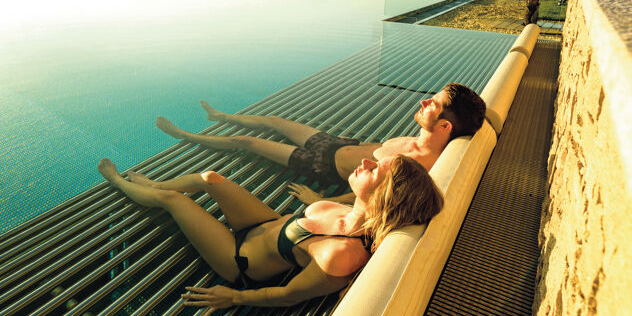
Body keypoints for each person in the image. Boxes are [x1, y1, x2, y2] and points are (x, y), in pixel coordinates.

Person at [97, 154, 443, 316]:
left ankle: (120, 183)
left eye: (375, 170)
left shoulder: (340, 255)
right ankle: (153, 184)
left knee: (175, 201)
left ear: (383, 196)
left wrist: (232, 297)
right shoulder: (353, 209)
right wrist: (315, 202)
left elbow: (288, 295)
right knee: (208, 177)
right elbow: (354, 205)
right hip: (266, 225)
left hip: (238, 259)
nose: (366, 161)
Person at [156, 82, 485, 204]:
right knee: (276, 121)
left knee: (248, 142)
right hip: (337, 143)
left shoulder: (420, 166)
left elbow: (372, 196)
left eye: (434, 104)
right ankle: (220, 115)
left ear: (444, 125)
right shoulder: (416, 139)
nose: (425, 101)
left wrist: (318, 200)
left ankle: (187, 136)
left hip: (322, 166)